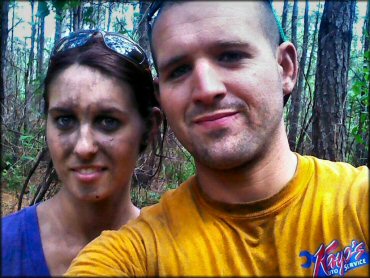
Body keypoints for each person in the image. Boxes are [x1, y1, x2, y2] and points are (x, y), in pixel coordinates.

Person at [66, 1, 369, 276]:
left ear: (285, 68)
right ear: (162, 97)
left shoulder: (356, 202)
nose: (206, 88)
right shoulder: (136, 254)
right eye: (180, 70)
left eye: (231, 56)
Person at [1, 30, 162, 276]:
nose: (83, 147)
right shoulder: (7, 245)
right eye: (65, 119)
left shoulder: (170, 255)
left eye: (107, 121)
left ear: (149, 127)